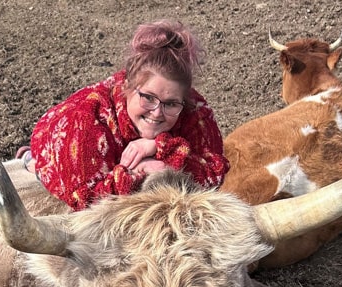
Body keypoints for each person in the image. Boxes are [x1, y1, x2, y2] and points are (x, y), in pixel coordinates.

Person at [20, 20, 229, 212]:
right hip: (63, 139)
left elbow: (216, 173)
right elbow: (86, 200)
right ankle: (29, 159)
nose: (157, 112)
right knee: (57, 175)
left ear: (185, 99)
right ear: (126, 87)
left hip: (126, 143)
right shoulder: (85, 121)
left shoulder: (195, 109)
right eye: (148, 97)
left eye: (171, 103)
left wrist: (159, 148)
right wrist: (142, 172)